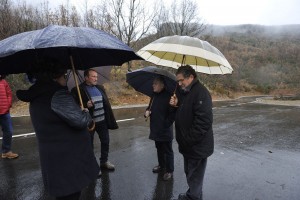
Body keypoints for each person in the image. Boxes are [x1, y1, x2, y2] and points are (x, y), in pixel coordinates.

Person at [16, 63, 99, 200]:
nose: (65, 78)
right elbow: (81, 121)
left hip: (54, 160)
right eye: (64, 75)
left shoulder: (38, 95)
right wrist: (84, 112)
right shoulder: (57, 95)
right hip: (69, 162)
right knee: (71, 196)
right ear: (54, 77)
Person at [169, 65, 214, 200]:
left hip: (196, 146)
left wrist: (187, 140)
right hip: (187, 145)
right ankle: (193, 194)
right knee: (190, 173)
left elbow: (203, 123)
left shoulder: (201, 93)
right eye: (178, 81)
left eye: (181, 80)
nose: (179, 83)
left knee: (195, 176)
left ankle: (193, 197)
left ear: (191, 77)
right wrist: (175, 105)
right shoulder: (184, 92)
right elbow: (181, 114)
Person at [71, 68, 118, 172]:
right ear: (86, 77)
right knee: (89, 145)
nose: (96, 78)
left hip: (103, 121)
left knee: (106, 141)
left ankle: (104, 161)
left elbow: (106, 104)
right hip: (89, 123)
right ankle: (92, 166)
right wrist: (84, 106)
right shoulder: (78, 90)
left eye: (96, 76)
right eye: (93, 76)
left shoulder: (100, 88)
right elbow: (73, 107)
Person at [144, 76, 175, 181]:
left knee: (168, 151)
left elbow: (172, 115)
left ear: (162, 85)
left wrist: (166, 125)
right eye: (153, 83)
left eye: (155, 84)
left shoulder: (169, 96)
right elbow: (149, 107)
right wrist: (146, 112)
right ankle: (161, 165)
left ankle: (169, 171)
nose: (153, 85)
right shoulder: (154, 95)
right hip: (155, 129)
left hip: (165, 130)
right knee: (159, 149)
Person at [0, 75, 19, 159]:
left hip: (5, 111)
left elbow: (9, 93)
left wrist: (8, 104)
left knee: (9, 131)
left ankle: (6, 151)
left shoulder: (4, 82)